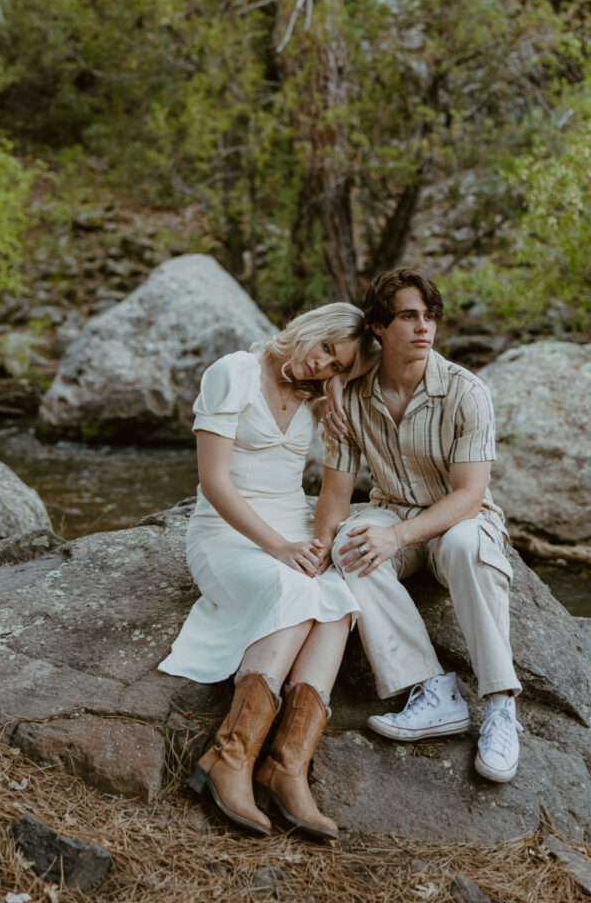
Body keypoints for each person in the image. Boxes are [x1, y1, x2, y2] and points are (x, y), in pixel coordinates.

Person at [159, 303, 375, 839]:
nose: (320, 366)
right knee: (293, 590)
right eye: (324, 349)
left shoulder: (318, 399)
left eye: (336, 366)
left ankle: (286, 767)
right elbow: (214, 483)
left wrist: (338, 395)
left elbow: (334, 486)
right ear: (308, 329)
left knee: (338, 607)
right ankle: (229, 758)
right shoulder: (233, 373)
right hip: (228, 535)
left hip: (293, 529)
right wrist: (280, 548)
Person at [314, 269, 523, 784]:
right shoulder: (353, 397)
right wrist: (318, 554)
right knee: (349, 544)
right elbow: (337, 494)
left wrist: (398, 537)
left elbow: (470, 496)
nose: (424, 327)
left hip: (459, 520)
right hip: (392, 509)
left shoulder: (466, 392)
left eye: (429, 317)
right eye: (409, 316)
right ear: (379, 328)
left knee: (466, 544)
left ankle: (500, 707)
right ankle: (432, 691)